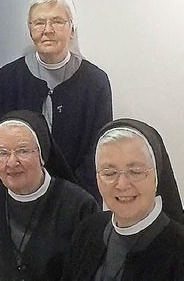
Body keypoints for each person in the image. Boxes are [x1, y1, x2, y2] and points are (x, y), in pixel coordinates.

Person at [0, 0, 112, 202]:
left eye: (57, 21)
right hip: (20, 193)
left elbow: (99, 147)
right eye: (39, 23)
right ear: (30, 30)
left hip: (78, 197)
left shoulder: (95, 81)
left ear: (72, 30)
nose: (48, 30)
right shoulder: (9, 78)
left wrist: (74, 196)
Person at [0, 110, 98, 280]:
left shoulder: (79, 206)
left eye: (22, 151)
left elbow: (87, 271)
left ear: (42, 154)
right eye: (2, 153)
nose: (11, 162)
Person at [63, 119, 184, 280]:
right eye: (109, 173)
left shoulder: (179, 249)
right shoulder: (88, 230)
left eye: (135, 171)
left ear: (157, 177)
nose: (122, 184)